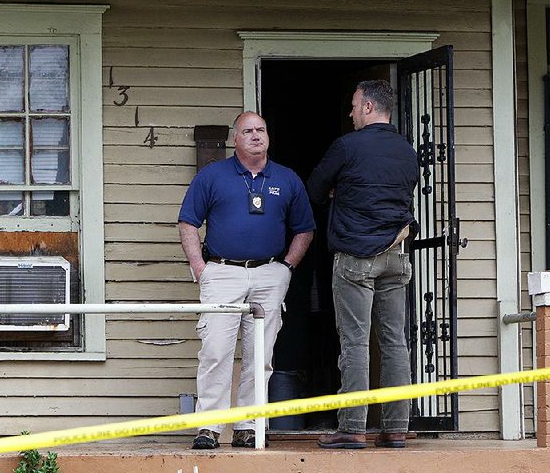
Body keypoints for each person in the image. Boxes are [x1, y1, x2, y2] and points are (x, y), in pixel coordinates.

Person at [178, 111, 315, 449]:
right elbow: (188, 222)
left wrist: (286, 267)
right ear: (235, 139)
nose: (256, 136)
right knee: (216, 350)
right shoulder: (213, 176)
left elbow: (304, 229)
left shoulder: (287, 178)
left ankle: (248, 426)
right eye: (248, 131)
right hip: (222, 271)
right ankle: (209, 427)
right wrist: (199, 266)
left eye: (262, 130)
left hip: (270, 273)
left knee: (261, 355)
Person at [307, 80, 418, 449]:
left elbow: (314, 190)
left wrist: (341, 190)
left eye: (354, 106)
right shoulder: (406, 150)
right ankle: (396, 428)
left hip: (354, 258)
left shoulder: (347, 146)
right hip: (396, 256)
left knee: (355, 344)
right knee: (395, 343)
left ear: (369, 107)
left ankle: (353, 427)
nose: (351, 112)